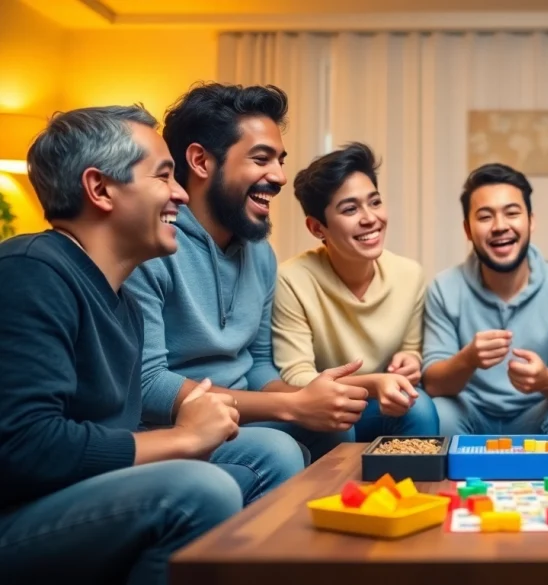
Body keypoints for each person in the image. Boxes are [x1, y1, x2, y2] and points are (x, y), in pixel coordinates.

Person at [0, 105, 245, 585]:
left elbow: (116, 431)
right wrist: (183, 437)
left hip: (62, 502)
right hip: (14, 514)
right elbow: (24, 447)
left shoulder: (122, 300)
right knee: (201, 490)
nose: (180, 193)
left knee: (235, 477)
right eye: (164, 175)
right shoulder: (31, 271)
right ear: (100, 189)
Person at [124, 82, 374, 464]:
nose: (279, 176)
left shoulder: (261, 254)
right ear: (201, 161)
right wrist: (289, 408)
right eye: (261, 159)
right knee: (278, 451)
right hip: (174, 427)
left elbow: (257, 364)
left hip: (243, 415)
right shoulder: (153, 246)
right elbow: (148, 383)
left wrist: (309, 399)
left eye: (280, 160)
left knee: (335, 425)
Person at [273, 142, 438, 439]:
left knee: (419, 406)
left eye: (374, 202)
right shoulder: (291, 279)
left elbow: (411, 349)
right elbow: (298, 377)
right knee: (340, 425)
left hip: (379, 406)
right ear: (317, 228)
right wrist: (374, 383)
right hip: (321, 413)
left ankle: (417, 487)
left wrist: (411, 362)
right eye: (350, 209)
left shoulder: (409, 275)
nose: (370, 218)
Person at [422, 163, 548, 435]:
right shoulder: (444, 288)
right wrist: (468, 359)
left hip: (538, 413)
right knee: (440, 410)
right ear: (468, 230)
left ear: (531, 221)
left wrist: (544, 379)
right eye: (484, 217)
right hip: (469, 414)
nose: (500, 226)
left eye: (512, 213)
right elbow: (433, 384)